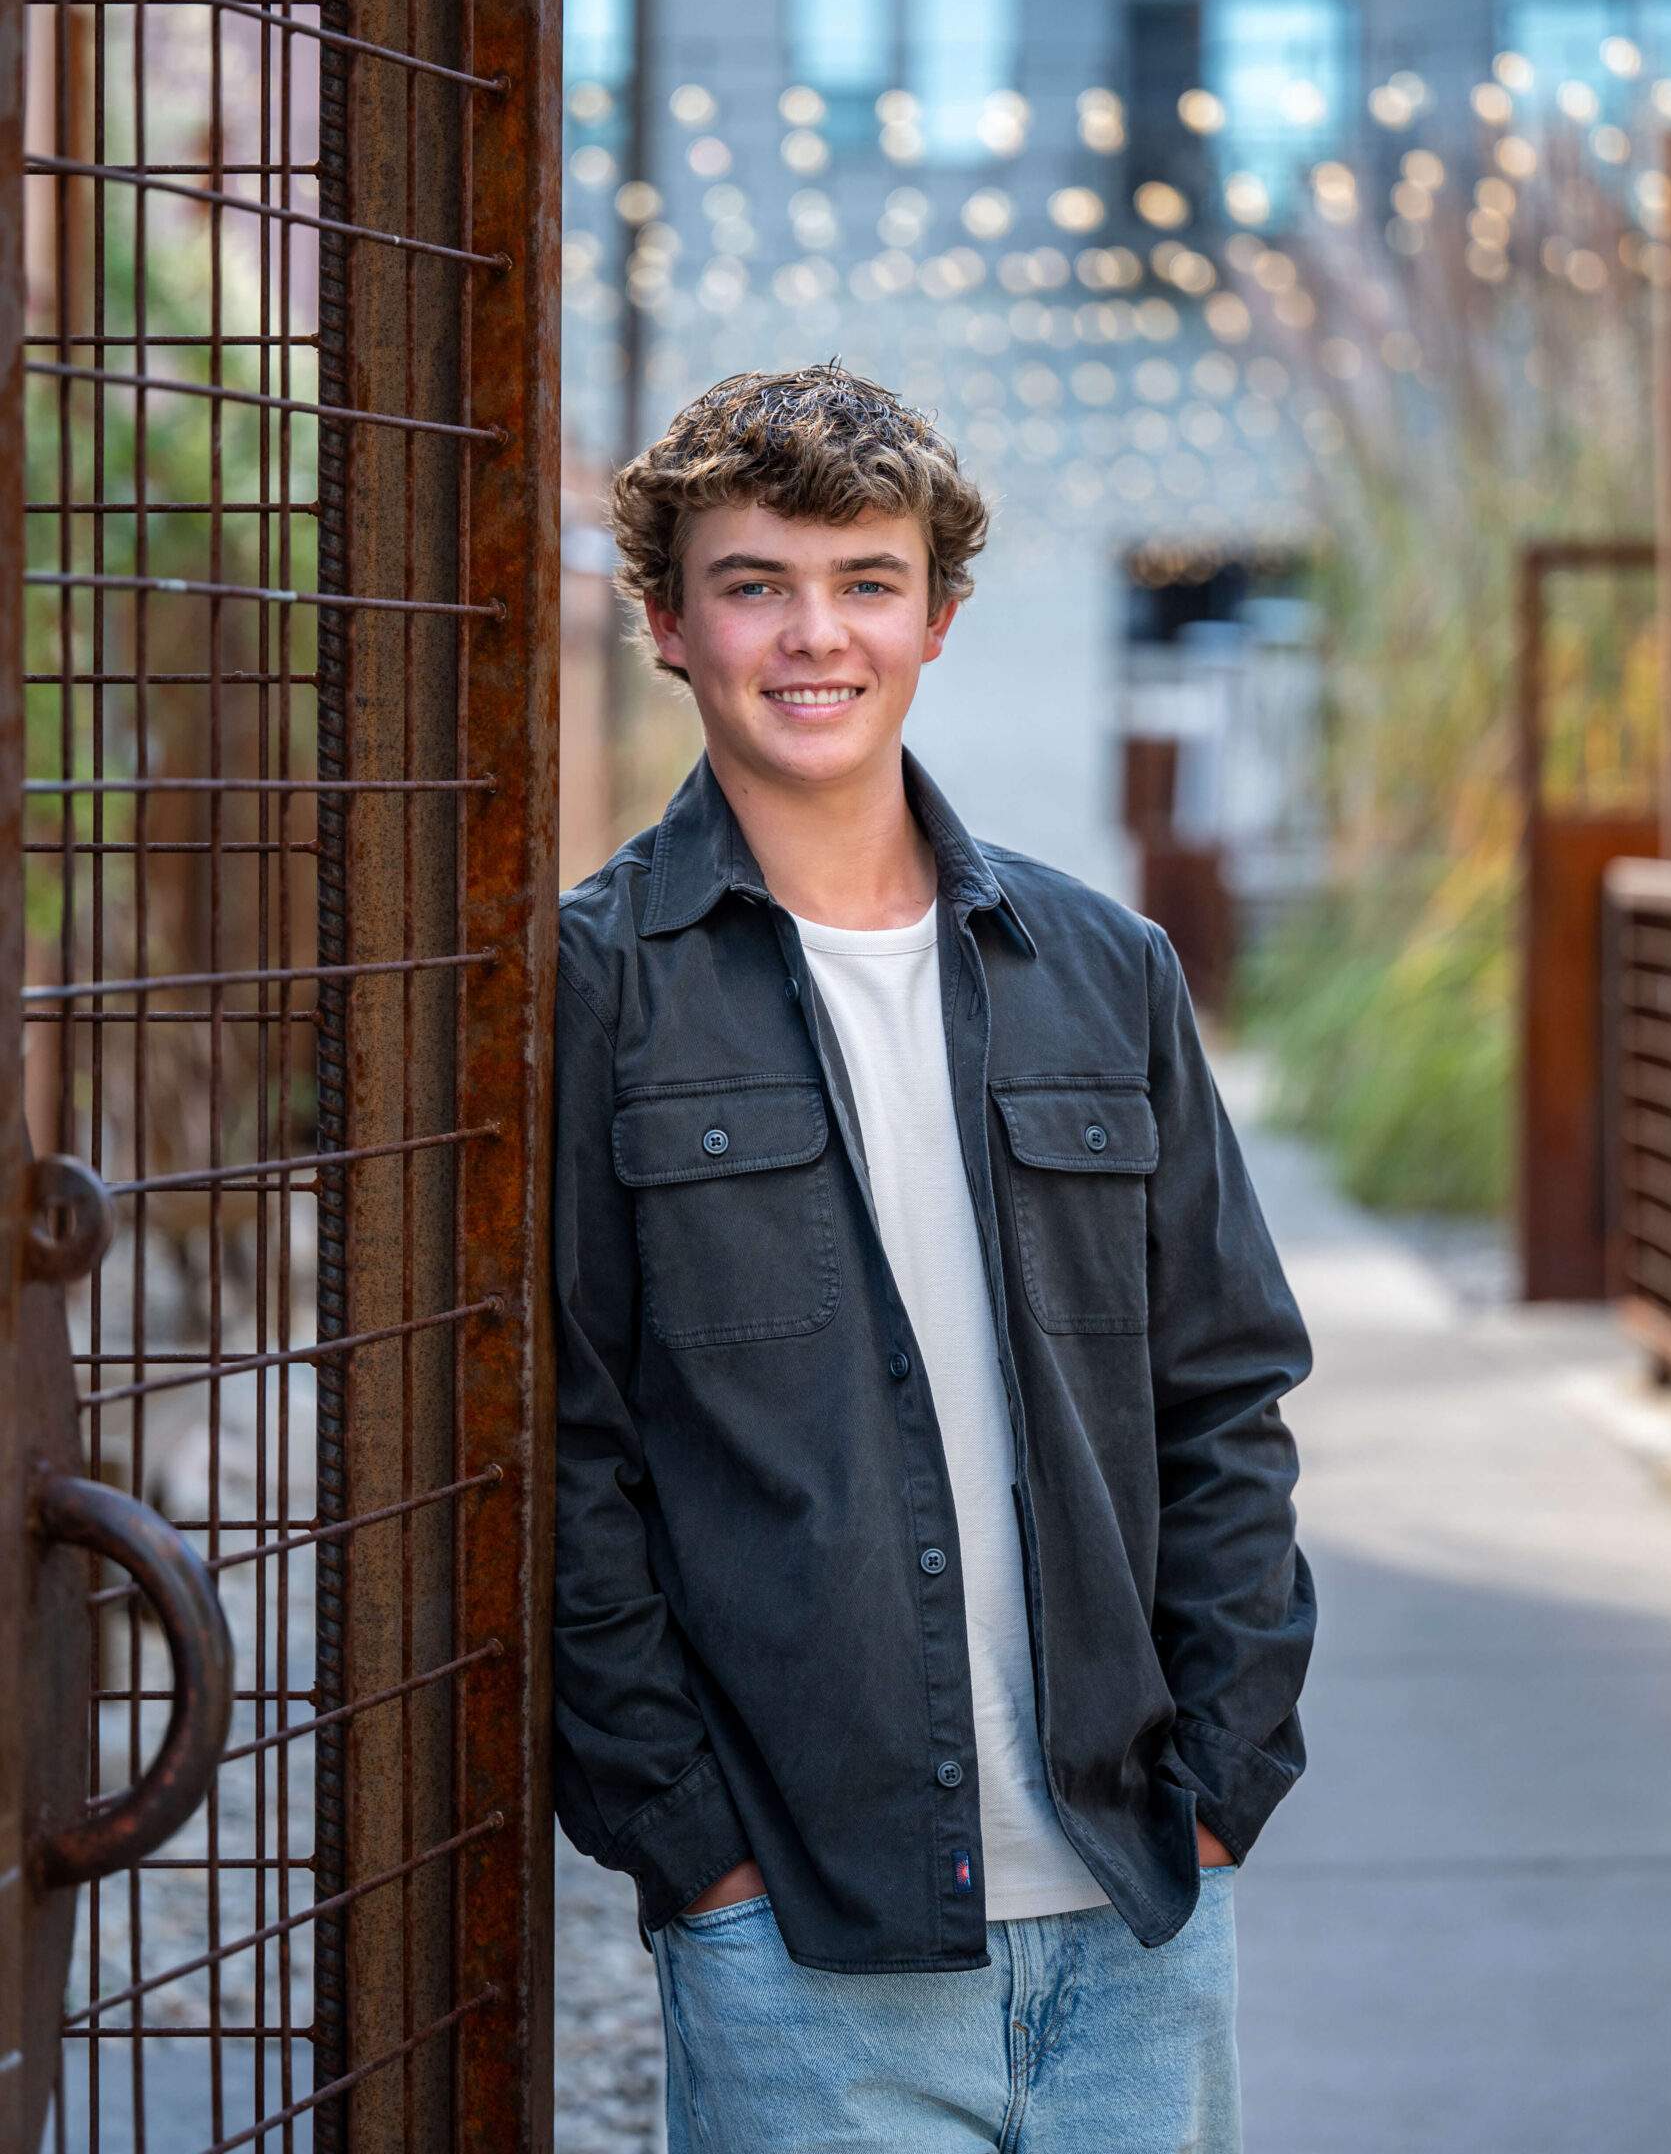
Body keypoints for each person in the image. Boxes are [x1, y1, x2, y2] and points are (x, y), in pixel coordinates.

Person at [551, 364, 1314, 2153]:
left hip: (1138, 1912)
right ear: (667, 621)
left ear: (937, 618)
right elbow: (563, 1448)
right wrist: (695, 1851)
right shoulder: (595, 991)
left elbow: (1227, 1393)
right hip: (807, 1944)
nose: (814, 638)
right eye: (755, 585)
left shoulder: (1102, 968)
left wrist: (1220, 1787)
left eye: (865, 582)